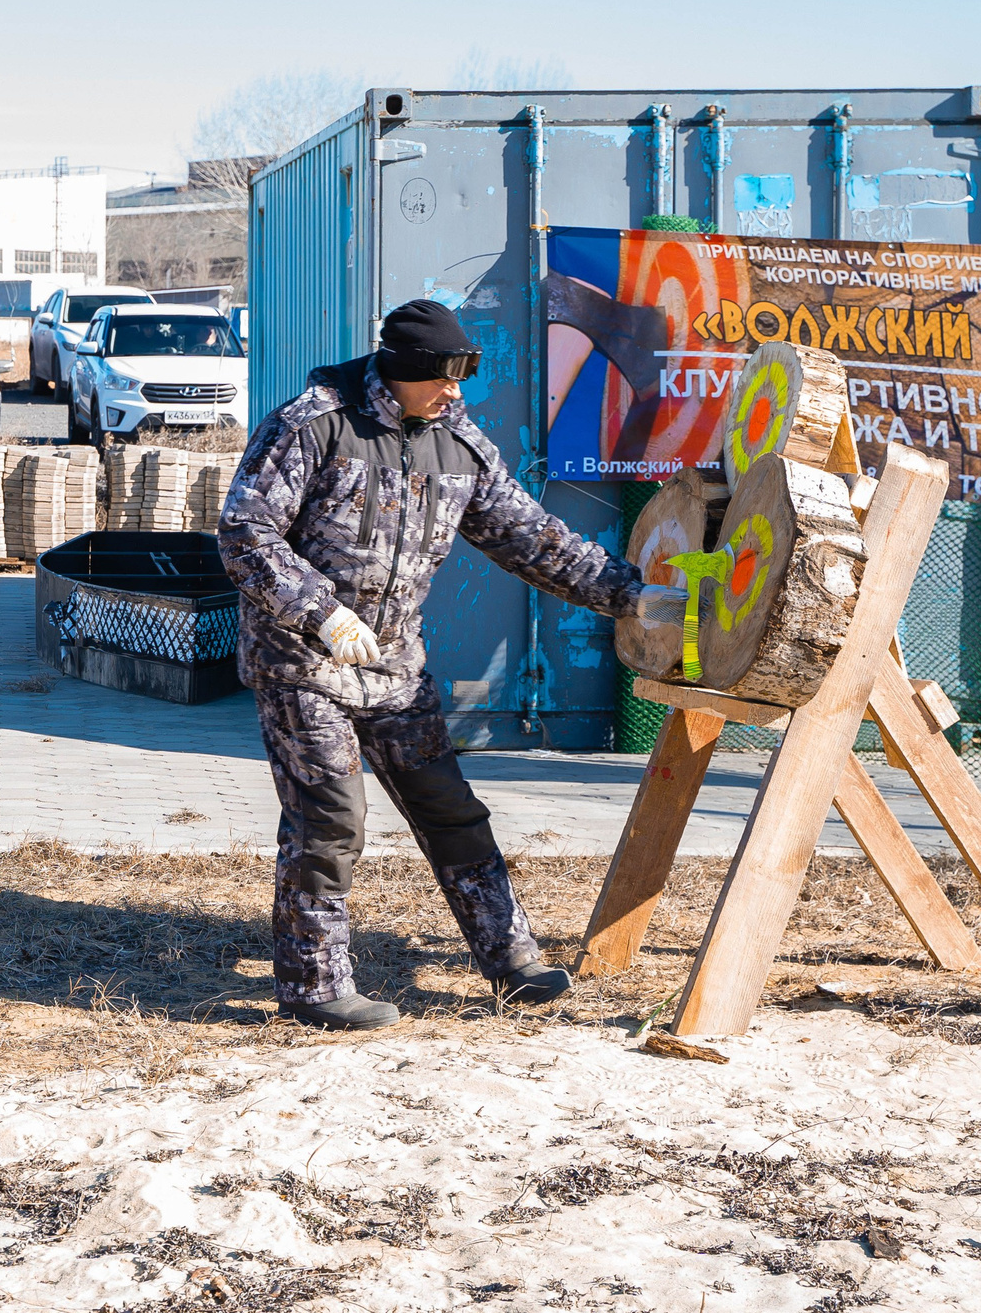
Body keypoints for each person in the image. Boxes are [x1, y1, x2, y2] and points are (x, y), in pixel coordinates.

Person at [218, 299, 687, 1031]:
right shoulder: (314, 424)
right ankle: (314, 986)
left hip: (395, 665)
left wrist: (630, 594)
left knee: (453, 811)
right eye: (444, 377)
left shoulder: (457, 443)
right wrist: (320, 610)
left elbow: (531, 536)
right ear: (402, 372)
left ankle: (512, 962)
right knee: (330, 817)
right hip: (303, 662)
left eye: (464, 375)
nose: (457, 392)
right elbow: (245, 530)